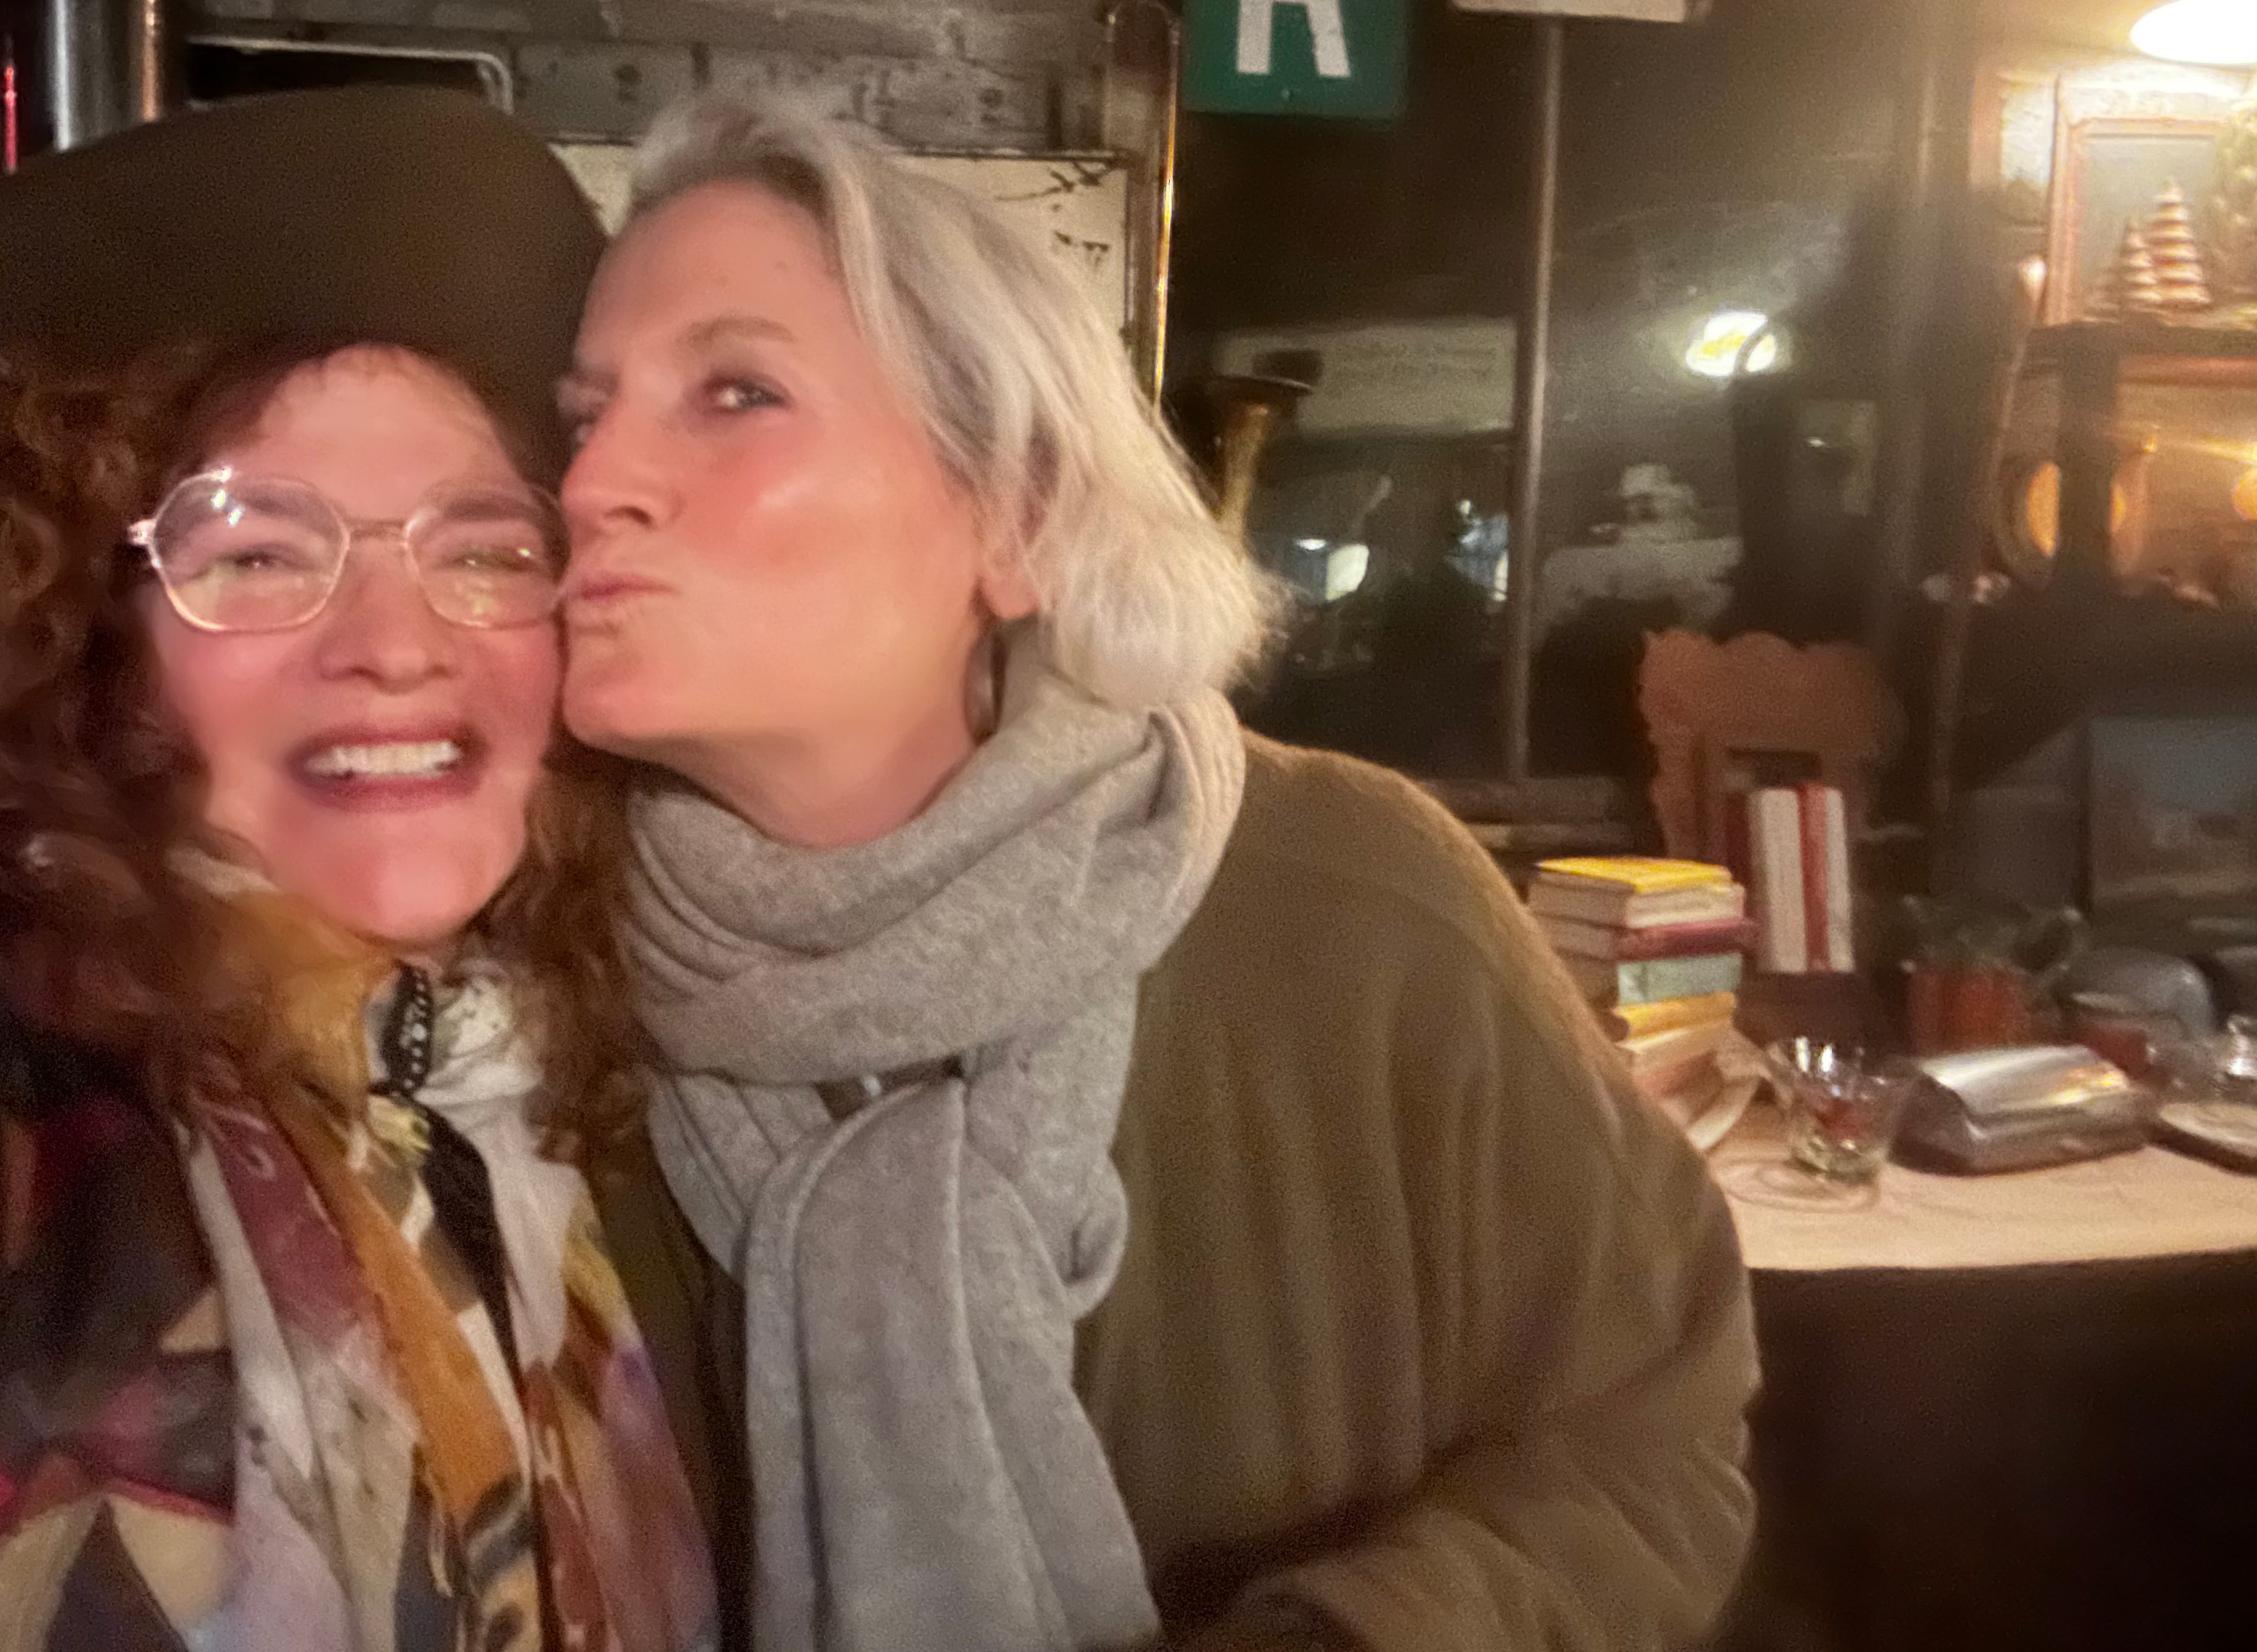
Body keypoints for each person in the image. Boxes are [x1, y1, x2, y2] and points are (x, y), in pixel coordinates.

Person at [559, 91, 1758, 1652]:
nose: (590, 485)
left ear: (1018, 515)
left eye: (736, 392)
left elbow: (1649, 1437)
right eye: (581, 418)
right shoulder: (536, 988)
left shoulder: (1354, 906)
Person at [0, 90, 713, 1652]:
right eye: (260, 554)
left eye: (482, 549)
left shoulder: (593, 1096)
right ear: (93, 646)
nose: (397, 645)